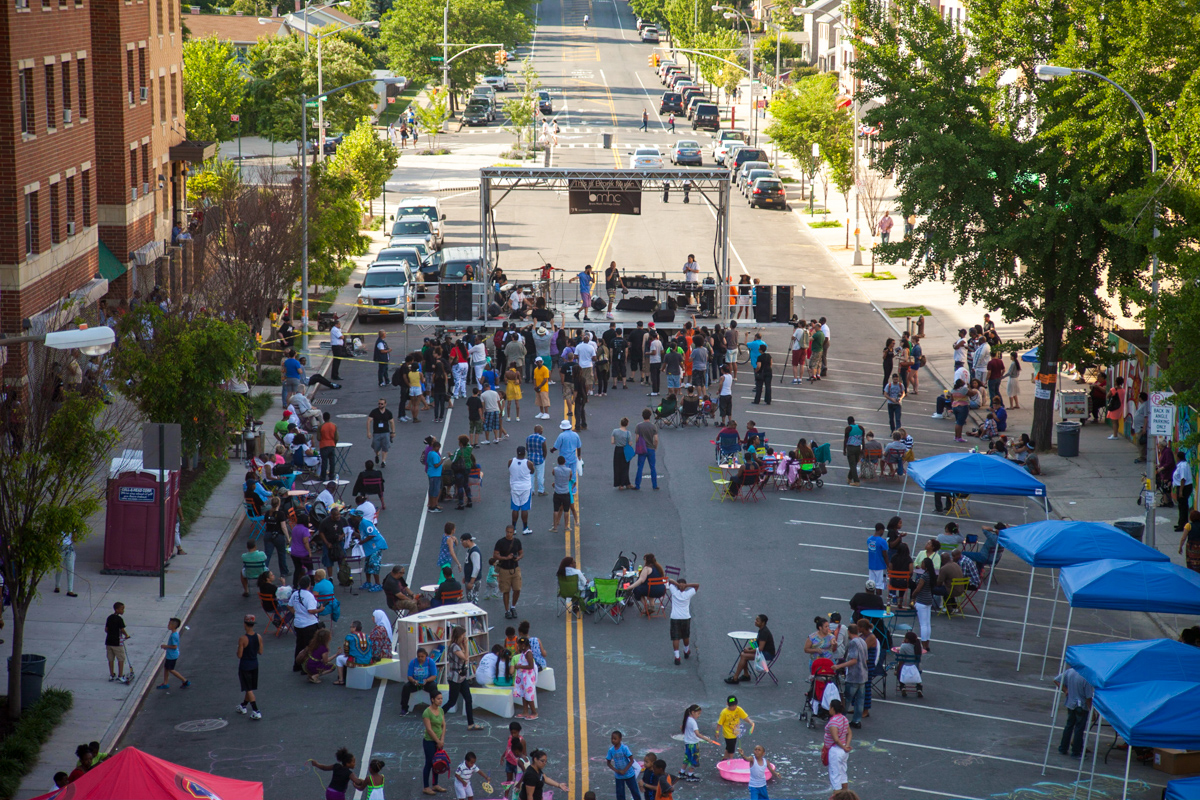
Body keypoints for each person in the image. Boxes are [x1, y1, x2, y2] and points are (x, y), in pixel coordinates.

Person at [835, 623, 867, 728]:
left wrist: (840, 666)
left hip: (854, 676)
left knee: (847, 699)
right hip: (863, 675)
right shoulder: (863, 641)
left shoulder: (853, 643)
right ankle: (857, 721)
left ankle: (841, 720)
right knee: (860, 700)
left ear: (849, 632)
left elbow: (853, 660)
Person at [726, 614, 774, 684]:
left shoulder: (764, 632)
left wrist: (749, 650)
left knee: (744, 655)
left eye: (757, 621)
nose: (755, 621)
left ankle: (735, 678)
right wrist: (749, 648)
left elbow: (760, 648)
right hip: (762, 652)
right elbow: (757, 644)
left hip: (767, 654)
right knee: (743, 653)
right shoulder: (761, 630)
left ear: (763, 623)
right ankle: (746, 674)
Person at [679, 705, 720, 782]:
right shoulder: (693, 722)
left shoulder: (687, 719)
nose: (699, 715)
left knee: (687, 759)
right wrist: (707, 739)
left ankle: (682, 773)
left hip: (687, 743)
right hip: (693, 744)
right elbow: (697, 734)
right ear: (693, 712)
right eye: (698, 713)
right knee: (693, 760)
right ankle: (690, 775)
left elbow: (682, 727)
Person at [493, 525, 524, 619]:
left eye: (510, 532)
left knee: (517, 589)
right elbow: (495, 555)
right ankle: (507, 610)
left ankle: (513, 607)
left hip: (515, 569)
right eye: (507, 532)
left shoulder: (517, 541)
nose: (508, 534)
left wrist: (518, 557)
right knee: (506, 591)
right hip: (504, 570)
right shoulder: (500, 542)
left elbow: (521, 552)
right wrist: (505, 558)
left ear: (513, 532)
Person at [668, 576, 698, 665]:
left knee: (675, 637)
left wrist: (677, 584)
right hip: (685, 617)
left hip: (675, 617)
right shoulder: (688, 594)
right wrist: (686, 585)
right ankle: (686, 650)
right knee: (685, 635)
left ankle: (677, 657)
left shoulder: (674, 592)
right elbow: (697, 586)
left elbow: (670, 581)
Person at [422, 690, 447, 795]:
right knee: (429, 763)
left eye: (441, 698)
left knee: (437, 762)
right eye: (438, 699)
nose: (440, 700)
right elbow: (429, 729)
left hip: (439, 742)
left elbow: (443, 725)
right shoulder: (426, 712)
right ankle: (426, 787)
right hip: (429, 741)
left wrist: (442, 740)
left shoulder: (441, 710)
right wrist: (437, 741)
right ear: (432, 700)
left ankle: (435, 784)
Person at [824, 699, 852, 793]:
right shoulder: (844, 718)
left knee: (835, 778)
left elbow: (835, 739)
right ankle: (845, 797)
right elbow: (849, 733)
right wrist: (846, 746)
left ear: (832, 708)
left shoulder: (833, 722)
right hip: (843, 751)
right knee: (843, 775)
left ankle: (837, 797)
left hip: (835, 751)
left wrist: (843, 747)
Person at [400, 647, 438, 715]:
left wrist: (426, 680)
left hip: (427, 682)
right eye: (418, 656)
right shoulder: (413, 662)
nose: (420, 658)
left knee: (434, 687)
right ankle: (404, 708)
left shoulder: (430, 662)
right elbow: (409, 676)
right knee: (406, 687)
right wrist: (414, 681)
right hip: (416, 682)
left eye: (422, 657)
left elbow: (434, 676)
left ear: (426, 656)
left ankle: (434, 708)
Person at [155, 617, 189, 690]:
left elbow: (174, 646)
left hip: (172, 655)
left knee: (171, 669)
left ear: (173, 626)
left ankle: (185, 680)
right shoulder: (174, 633)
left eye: (169, 624)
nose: (168, 625)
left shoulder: (174, 635)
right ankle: (165, 683)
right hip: (171, 654)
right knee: (166, 668)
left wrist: (165, 646)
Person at [335, 620, 373, 685]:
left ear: (354, 628)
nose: (350, 628)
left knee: (339, 658)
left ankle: (341, 680)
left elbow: (346, 650)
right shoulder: (367, 636)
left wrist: (347, 654)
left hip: (356, 661)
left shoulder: (349, 637)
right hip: (368, 661)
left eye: (351, 627)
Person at [607, 730, 640, 800]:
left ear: (620, 739)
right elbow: (608, 763)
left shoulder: (624, 748)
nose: (613, 740)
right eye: (612, 738)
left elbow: (631, 760)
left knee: (635, 792)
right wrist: (617, 771)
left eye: (615, 739)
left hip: (629, 774)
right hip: (619, 776)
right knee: (620, 795)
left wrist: (624, 770)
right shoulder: (611, 750)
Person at [105, 601, 132, 684]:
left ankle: (112, 674)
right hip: (117, 642)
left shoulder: (109, 617)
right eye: (122, 609)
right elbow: (122, 629)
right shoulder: (119, 619)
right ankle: (120, 676)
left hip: (108, 642)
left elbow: (106, 629)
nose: (123, 611)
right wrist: (127, 635)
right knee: (121, 659)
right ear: (117, 610)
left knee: (110, 659)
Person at [512, 637, 538, 719]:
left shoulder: (528, 653)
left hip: (528, 677)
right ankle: (525, 711)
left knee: (529, 695)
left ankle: (534, 712)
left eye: (519, 645)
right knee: (524, 693)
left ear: (523, 645)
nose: (518, 647)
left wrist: (519, 666)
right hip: (523, 677)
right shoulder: (523, 652)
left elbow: (531, 666)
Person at [634, 408, 659, 490]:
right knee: (653, 467)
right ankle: (654, 485)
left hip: (642, 448)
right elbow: (656, 439)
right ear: (650, 416)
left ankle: (637, 485)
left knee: (640, 467)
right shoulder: (653, 426)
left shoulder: (639, 426)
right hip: (651, 448)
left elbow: (637, 438)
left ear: (642, 416)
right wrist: (655, 447)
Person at [551, 456, 577, 533]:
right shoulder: (569, 470)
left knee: (556, 510)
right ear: (564, 462)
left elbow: (553, 474)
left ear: (558, 462)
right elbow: (570, 478)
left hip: (557, 492)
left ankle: (555, 527)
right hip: (566, 492)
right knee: (566, 510)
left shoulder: (555, 470)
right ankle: (566, 527)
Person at [367, 399, 395, 468]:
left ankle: (383, 461)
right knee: (375, 447)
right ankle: (377, 455)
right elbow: (369, 421)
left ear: (385, 404)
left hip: (386, 432)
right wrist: (368, 432)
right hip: (376, 432)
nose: (380, 405)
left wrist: (393, 432)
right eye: (379, 404)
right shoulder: (374, 412)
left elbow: (391, 422)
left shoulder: (388, 412)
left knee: (385, 447)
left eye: (382, 404)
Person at [612, 417, 635, 490]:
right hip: (625, 450)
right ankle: (625, 483)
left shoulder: (615, 431)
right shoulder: (628, 433)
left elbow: (612, 442)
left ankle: (620, 484)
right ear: (627, 424)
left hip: (617, 449)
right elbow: (630, 443)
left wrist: (618, 442)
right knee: (625, 467)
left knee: (617, 467)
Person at [1175, 449, 1194, 533]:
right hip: (1184, 486)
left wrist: (1181, 491)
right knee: (1182, 506)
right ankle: (1182, 522)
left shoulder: (1182, 466)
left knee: (1182, 506)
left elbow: (1183, 479)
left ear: (1179, 458)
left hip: (1184, 487)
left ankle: (1182, 525)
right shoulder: (1183, 464)